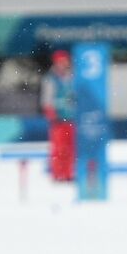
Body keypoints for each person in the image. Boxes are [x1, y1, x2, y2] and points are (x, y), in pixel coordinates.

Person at [40, 50, 76, 183]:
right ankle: (58, 174)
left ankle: (68, 173)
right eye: (60, 62)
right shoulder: (51, 79)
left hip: (71, 117)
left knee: (70, 148)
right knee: (59, 148)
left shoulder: (72, 77)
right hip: (58, 119)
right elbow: (46, 99)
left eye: (65, 61)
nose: (63, 64)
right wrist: (51, 113)